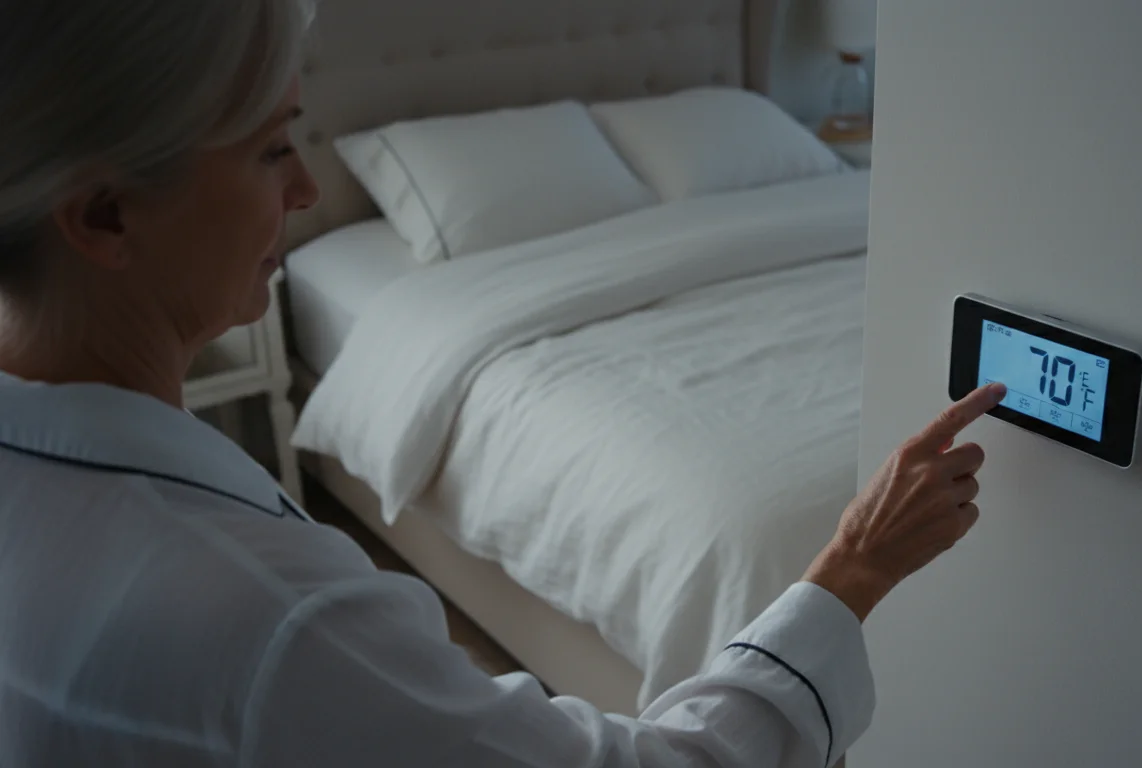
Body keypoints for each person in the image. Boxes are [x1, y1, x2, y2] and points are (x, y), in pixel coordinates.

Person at [0, 1, 1008, 765]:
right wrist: (852, 567)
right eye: (272, 149)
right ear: (104, 216)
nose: (304, 189)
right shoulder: (276, 620)